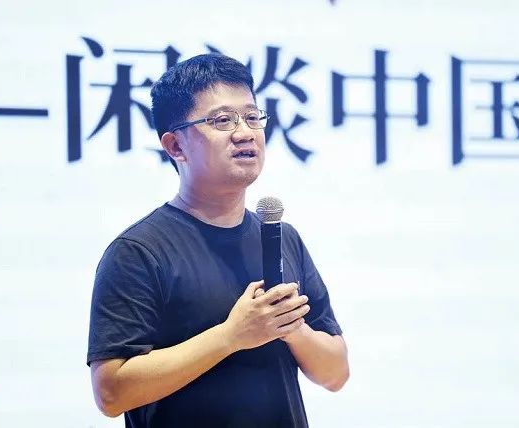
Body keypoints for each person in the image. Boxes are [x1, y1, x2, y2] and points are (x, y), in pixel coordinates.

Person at [87, 53, 349, 427]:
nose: (245, 133)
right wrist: (231, 336)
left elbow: (336, 373)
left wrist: (292, 328)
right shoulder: (139, 252)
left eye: (252, 117)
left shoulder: (281, 237)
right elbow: (111, 393)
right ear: (175, 146)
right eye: (222, 120)